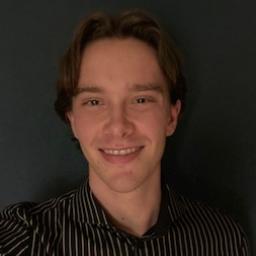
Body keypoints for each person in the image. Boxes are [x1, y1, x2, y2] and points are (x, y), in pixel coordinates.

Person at [0, 9, 250, 255]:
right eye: (95, 102)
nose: (118, 126)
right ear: (73, 121)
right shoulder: (27, 240)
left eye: (141, 100)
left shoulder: (223, 240)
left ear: (171, 117)